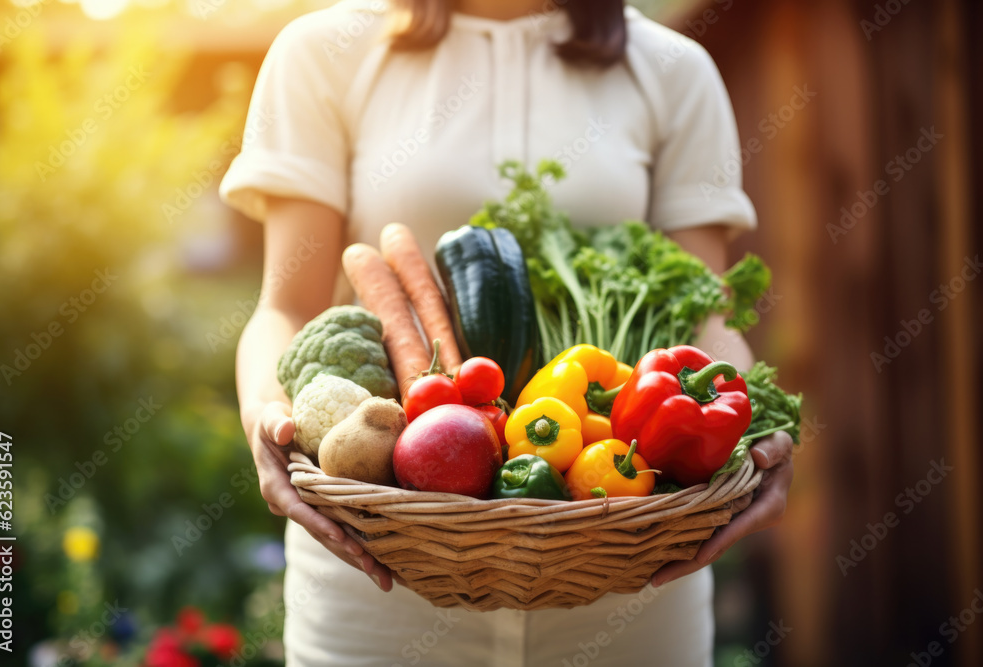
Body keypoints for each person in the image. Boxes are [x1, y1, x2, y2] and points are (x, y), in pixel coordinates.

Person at [219, 0, 794, 664]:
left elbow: (705, 312)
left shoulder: (673, 71)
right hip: (381, 584)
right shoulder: (322, 52)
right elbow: (285, 307)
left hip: (628, 576)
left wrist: (751, 424)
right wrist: (265, 411)